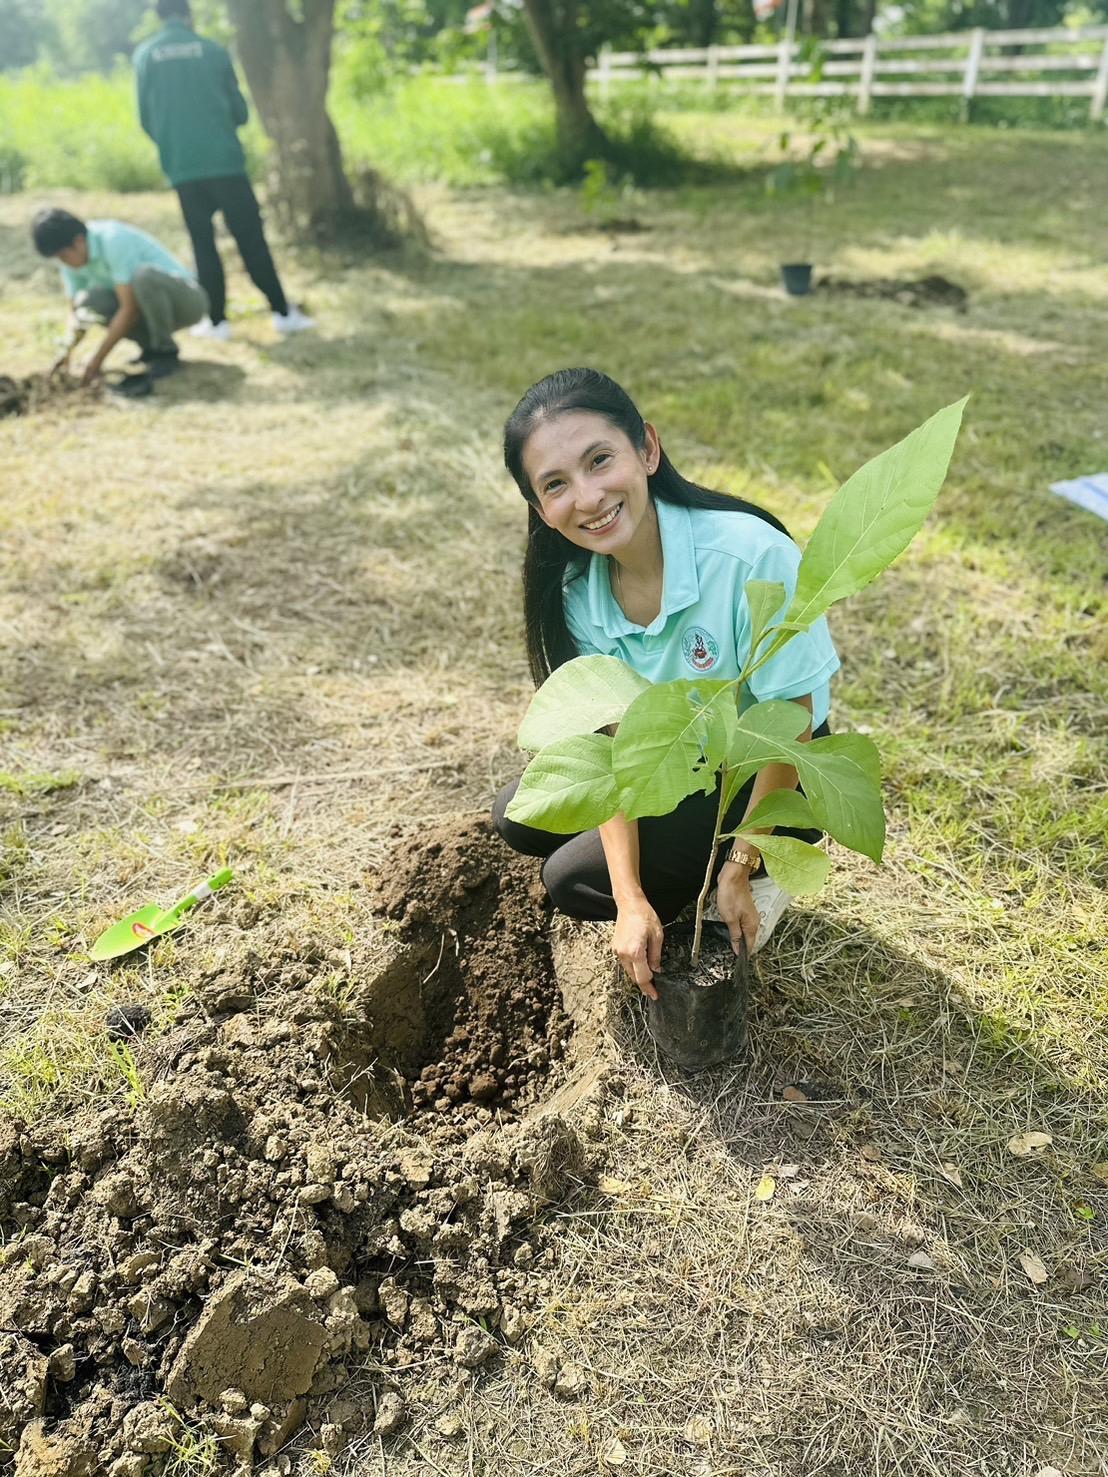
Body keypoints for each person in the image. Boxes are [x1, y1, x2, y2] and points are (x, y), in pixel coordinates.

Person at [492, 368, 841, 1001]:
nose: (590, 497)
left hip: (765, 763)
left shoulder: (751, 557)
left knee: (572, 880)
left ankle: (752, 868)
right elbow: (621, 748)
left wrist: (740, 863)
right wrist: (629, 900)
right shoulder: (580, 593)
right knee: (517, 818)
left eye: (601, 460)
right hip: (676, 757)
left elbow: (795, 721)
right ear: (540, 509)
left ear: (647, 449)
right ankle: (674, 858)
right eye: (556, 485)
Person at [133, 0, 314, 339]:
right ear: (189, 15)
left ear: (159, 16)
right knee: (251, 239)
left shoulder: (146, 56)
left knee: (203, 245)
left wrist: (175, 144)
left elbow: (146, 117)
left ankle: (216, 321)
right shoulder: (212, 51)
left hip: (183, 167)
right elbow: (239, 111)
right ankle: (281, 312)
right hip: (226, 163)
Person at [32, 208, 208, 384]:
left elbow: (129, 309)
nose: (63, 262)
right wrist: (65, 353)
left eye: (63, 255)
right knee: (89, 302)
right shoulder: (70, 261)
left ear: (78, 241)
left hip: (187, 302)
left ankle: (165, 352)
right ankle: (149, 348)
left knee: (143, 277)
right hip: (146, 307)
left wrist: (96, 361)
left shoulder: (113, 240)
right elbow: (76, 313)